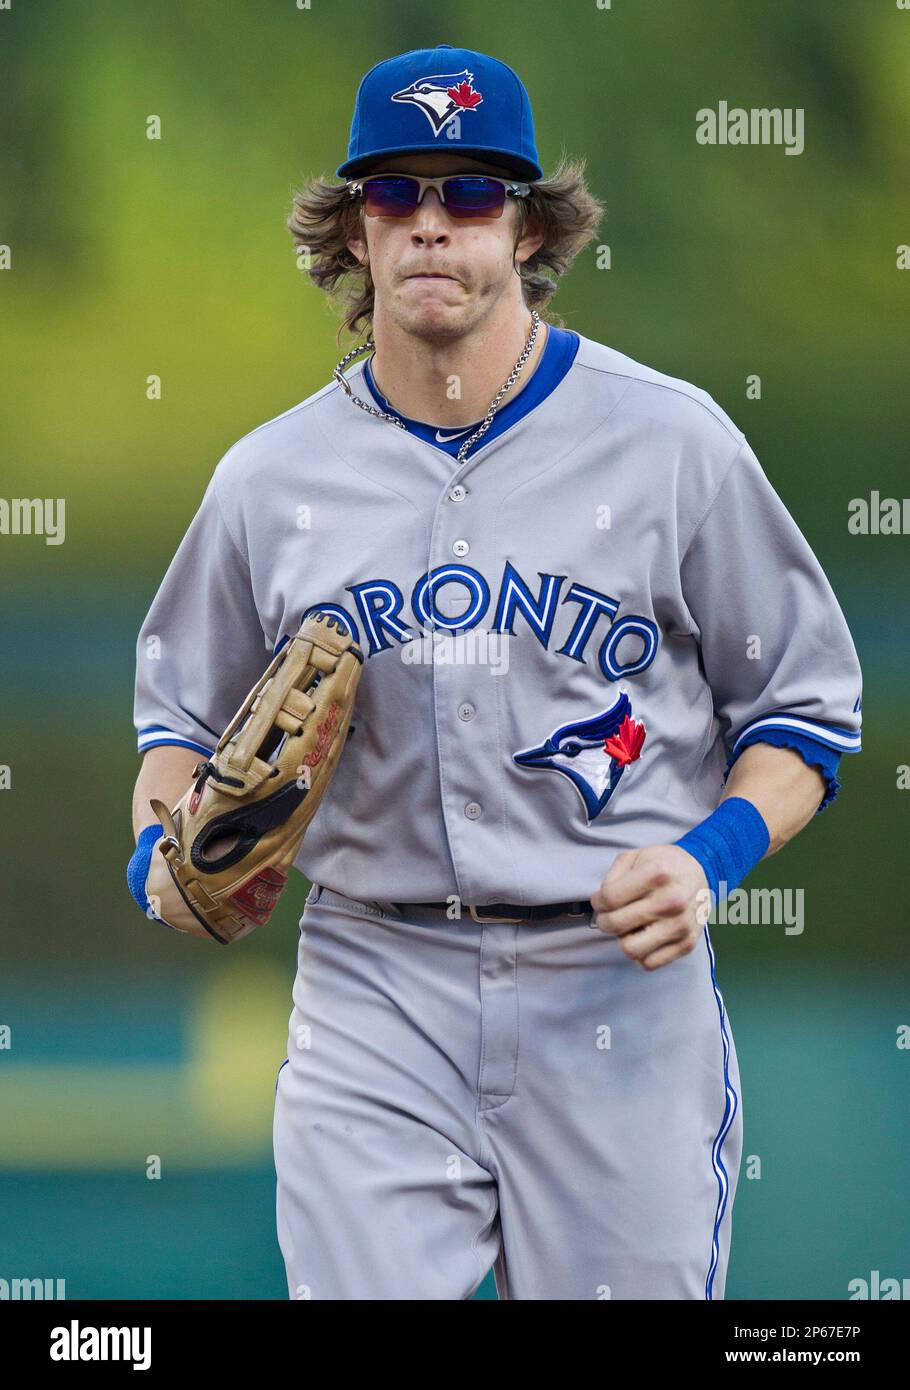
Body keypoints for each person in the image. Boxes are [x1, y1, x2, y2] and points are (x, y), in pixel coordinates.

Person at [128, 44, 863, 1300]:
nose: (429, 225)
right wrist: (159, 853)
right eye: (394, 194)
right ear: (352, 231)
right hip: (374, 984)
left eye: (468, 194)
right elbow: (179, 719)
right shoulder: (270, 479)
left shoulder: (671, 441)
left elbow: (805, 712)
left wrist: (709, 857)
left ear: (527, 227)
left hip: (614, 990)